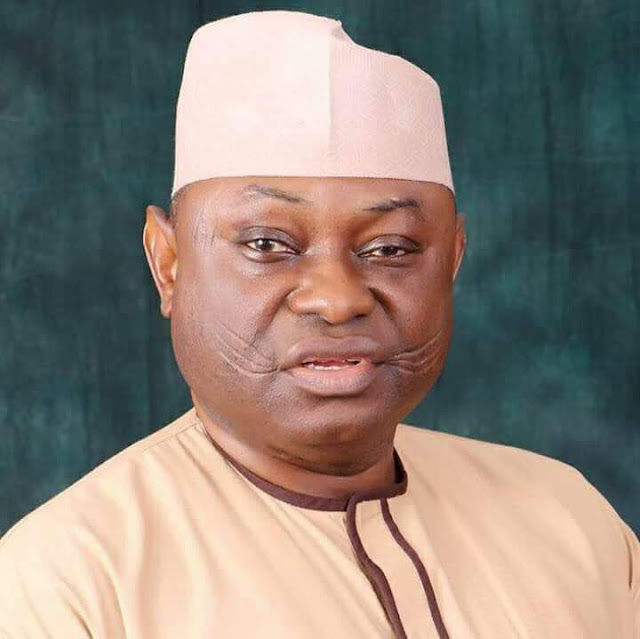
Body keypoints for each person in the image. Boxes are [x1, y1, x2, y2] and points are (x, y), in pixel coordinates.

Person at [0, 10, 638, 639]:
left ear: (452, 259)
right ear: (168, 263)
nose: (336, 300)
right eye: (267, 244)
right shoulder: (68, 585)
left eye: (390, 248)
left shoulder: (570, 521)